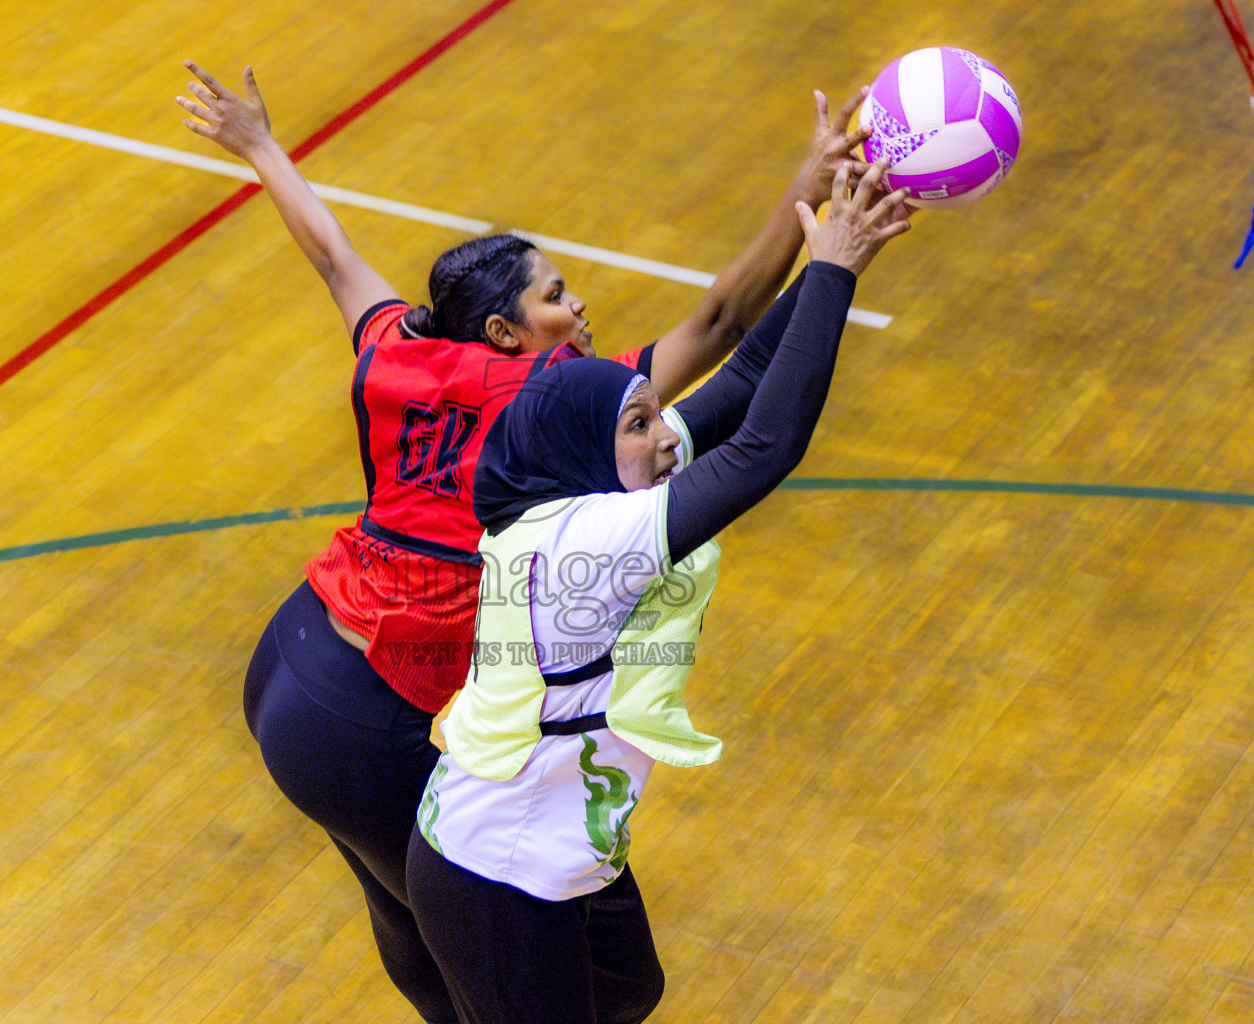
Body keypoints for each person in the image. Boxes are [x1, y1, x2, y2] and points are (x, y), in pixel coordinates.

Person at [176, 60, 878, 1023]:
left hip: (294, 661)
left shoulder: (400, 348)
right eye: (556, 298)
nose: (578, 310)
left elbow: (337, 259)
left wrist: (259, 145)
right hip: (373, 712)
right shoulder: (546, 417)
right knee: (506, 961)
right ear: (505, 331)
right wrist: (813, 210)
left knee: (434, 946)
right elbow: (722, 329)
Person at [404, 160, 911, 1024]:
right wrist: (829, 271)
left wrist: (844, 249)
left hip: (558, 850)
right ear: (593, 449)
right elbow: (765, 447)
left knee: (632, 990)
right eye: (641, 426)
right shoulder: (583, 545)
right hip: (496, 873)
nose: (666, 439)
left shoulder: (589, 483)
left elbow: (747, 379)